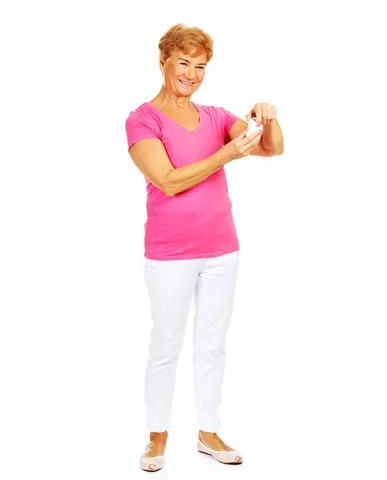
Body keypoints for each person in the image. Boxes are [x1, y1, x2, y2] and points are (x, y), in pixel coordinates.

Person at [125, 23, 284, 472]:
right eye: (184, 62)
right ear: (164, 61)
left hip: (221, 251)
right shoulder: (142, 119)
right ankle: (157, 438)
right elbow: (169, 180)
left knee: (212, 344)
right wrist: (224, 156)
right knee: (166, 345)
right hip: (170, 254)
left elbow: (272, 150)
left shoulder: (215, 116)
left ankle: (208, 432)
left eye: (201, 66)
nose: (192, 73)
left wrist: (268, 118)